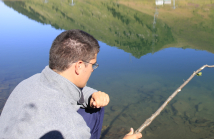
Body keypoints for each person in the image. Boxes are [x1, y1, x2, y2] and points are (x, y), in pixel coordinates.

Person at [0, 29, 142, 139]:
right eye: (93, 64)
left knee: (94, 110)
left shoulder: (28, 83)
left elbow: (64, 89)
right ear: (79, 66)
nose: (93, 69)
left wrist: (90, 95)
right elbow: (67, 124)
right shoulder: (71, 128)